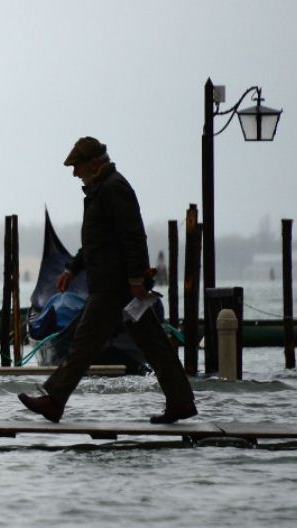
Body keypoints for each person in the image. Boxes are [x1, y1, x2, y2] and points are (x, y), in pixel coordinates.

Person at [18, 136, 197, 424]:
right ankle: (181, 401)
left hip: (116, 287)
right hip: (110, 285)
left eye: (77, 166)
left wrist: (137, 278)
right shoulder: (99, 190)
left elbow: (133, 236)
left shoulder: (115, 189)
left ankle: (54, 400)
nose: (74, 173)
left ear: (93, 162)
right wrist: (72, 270)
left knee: (83, 344)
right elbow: (95, 243)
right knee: (152, 344)